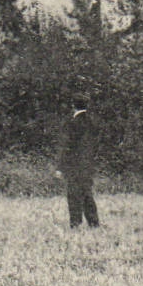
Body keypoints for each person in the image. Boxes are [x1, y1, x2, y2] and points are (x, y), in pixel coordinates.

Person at [60, 98, 101, 229]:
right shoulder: (92, 123)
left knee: (73, 195)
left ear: (73, 106)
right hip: (88, 166)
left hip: (74, 166)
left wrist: (60, 167)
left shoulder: (72, 124)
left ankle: (75, 224)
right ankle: (94, 223)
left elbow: (67, 147)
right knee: (87, 194)